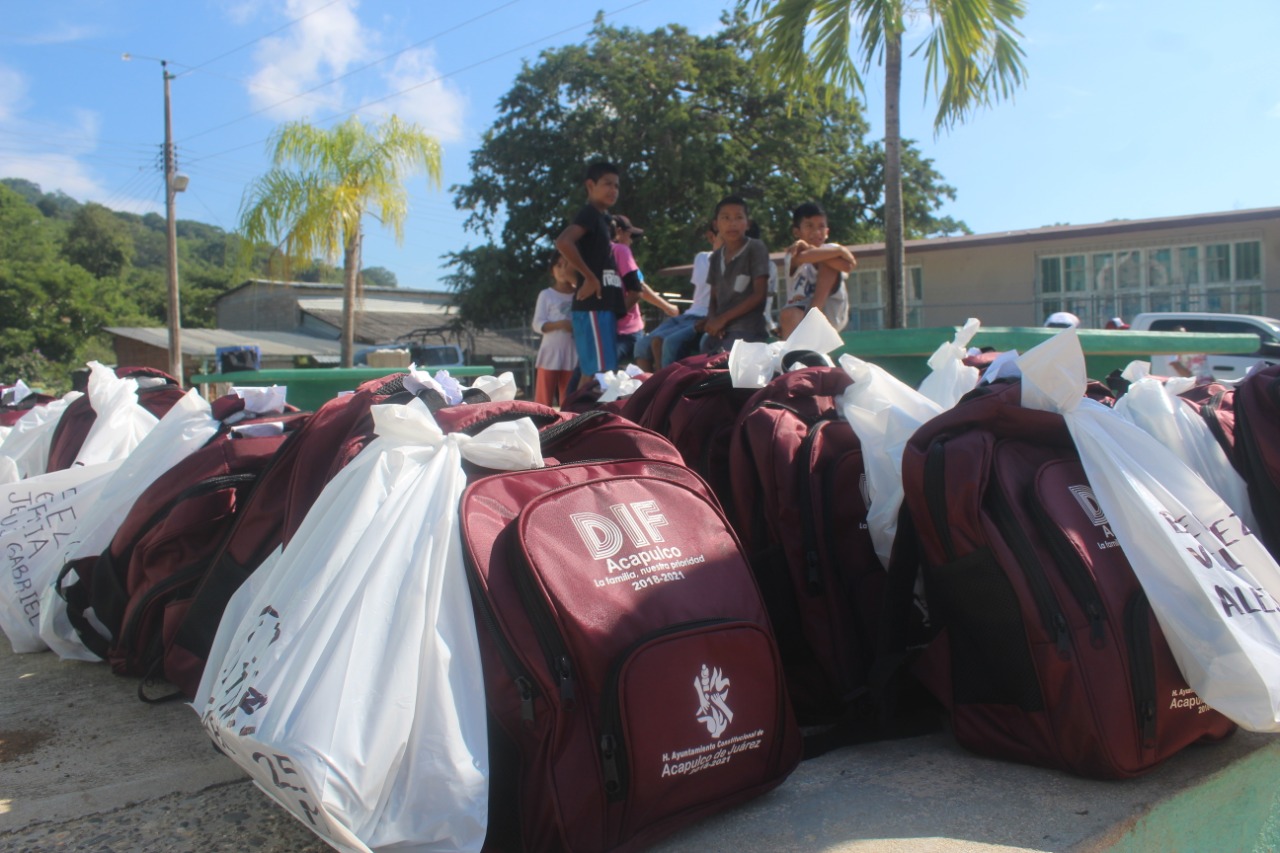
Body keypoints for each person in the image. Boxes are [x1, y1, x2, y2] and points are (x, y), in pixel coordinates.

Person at [555, 161, 624, 389]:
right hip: (593, 307)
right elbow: (564, 242)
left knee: (601, 372)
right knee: (596, 374)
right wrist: (590, 278)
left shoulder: (605, 219)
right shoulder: (589, 214)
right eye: (607, 184)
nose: (612, 190)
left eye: (616, 185)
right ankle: (577, 420)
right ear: (590, 185)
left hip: (605, 306)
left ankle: (577, 418)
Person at [633, 222, 719, 371]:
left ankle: (664, 387)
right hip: (688, 315)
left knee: (665, 342)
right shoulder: (702, 258)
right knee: (641, 345)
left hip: (705, 317)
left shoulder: (736, 261)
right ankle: (650, 388)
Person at [703, 195, 771, 352]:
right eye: (726, 218)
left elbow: (759, 294)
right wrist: (713, 320)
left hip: (748, 330)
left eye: (739, 217)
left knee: (723, 365)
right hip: (719, 331)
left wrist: (723, 319)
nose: (732, 223)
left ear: (747, 224)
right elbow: (713, 297)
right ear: (716, 224)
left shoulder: (756, 248)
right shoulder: (715, 257)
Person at [778, 202, 855, 338]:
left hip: (830, 317)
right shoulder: (794, 253)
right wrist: (840, 252)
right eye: (809, 226)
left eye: (821, 226)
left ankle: (813, 315)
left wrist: (839, 249)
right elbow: (803, 257)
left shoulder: (831, 249)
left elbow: (848, 266)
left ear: (827, 232)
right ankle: (793, 353)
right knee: (788, 313)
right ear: (796, 231)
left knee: (827, 262)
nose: (816, 232)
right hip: (799, 318)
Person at [610, 214, 678, 364]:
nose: (631, 241)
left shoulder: (622, 255)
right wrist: (668, 307)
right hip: (615, 331)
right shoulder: (619, 252)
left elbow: (639, 288)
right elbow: (640, 289)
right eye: (630, 235)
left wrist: (667, 307)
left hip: (628, 329)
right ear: (619, 233)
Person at [531, 250, 578, 407]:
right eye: (559, 265)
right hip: (550, 352)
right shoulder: (546, 295)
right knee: (544, 397)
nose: (563, 269)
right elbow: (537, 324)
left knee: (569, 396)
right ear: (552, 270)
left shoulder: (580, 294)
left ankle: (568, 426)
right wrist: (561, 324)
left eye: (567, 264)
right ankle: (540, 426)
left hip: (573, 351)